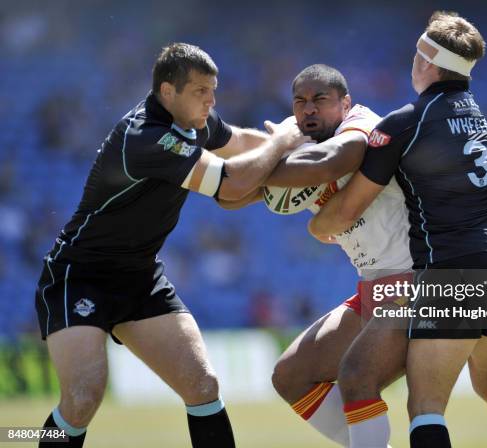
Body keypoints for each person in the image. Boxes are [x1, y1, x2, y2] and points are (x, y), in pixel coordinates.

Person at [310, 12, 487, 448]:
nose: (411, 62)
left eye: (416, 54)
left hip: (457, 267)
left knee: (425, 406)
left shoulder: (404, 124)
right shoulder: (477, 116)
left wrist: (317, 224)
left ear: (427, 62)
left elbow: (347, 211)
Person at [34, 42, 310, 448]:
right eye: (202, 91)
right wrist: (282, 144)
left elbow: (238, 143)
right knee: (82, 398)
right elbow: (231, 182)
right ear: (168, 91)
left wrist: (306, 148)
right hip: (80, 275)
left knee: (203, 385)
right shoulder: (145, 137)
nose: (212, 101)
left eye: (213, 90)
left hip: (140, 275)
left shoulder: (194, 121)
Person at [220, 64, 413, 447]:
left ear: (346, 102)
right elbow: (231, 197)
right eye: (300, 102)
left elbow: (332, 162)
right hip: (374, 285)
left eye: (320, 100)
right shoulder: (300, 150)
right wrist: (268, 153)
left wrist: (269, 157)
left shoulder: (362, 126)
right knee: (291, 375)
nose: (308, 109)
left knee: (358, 378)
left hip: (418, 279)